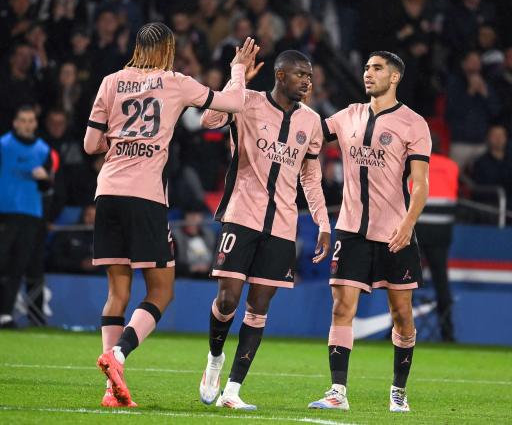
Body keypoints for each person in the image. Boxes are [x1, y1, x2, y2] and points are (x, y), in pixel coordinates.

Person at [84, 23, 257, 408]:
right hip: (145, 198)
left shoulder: (111, 81)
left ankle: (111, 388)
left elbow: (90, 143)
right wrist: (239, 71)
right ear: (167, 49)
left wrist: (121, 141)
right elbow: (234, 104)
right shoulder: (174, 81)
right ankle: (118, 355)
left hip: (108, 192)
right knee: (162, 291)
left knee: (117, 293)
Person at [197, 50, 331, 410]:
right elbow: (208, 119)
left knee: (258, 308)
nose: (307, 80)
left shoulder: (313, 122)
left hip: (283, 227)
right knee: (227, 300)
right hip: (241, 215)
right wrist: (237, 72)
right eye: (300, 74)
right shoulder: (248, 102)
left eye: (310, 75)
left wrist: (322, 222)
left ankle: (233, 391)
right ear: (280, 74)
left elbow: (311, 177)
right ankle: (214, 360)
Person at [309, 51, 431, 413]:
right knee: (342, 307)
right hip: (351, 230)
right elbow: (308, 134)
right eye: (366, 68)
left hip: (396, 233)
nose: (368, 73)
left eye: (376, 68)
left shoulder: (413, 123)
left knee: (402, 314)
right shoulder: (348, 115)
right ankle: (337, 391)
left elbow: (420, 184)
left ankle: (398, 390)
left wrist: (408, 226)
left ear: (395, 77)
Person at [0, 105, 53, 329]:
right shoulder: (3, 146)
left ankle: (5, 314)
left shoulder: (43, 150)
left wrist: (44, 179)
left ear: (35, 123)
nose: (27, 124)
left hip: (31, 214)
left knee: (18, 267)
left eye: (30, 120)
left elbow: (48, 187)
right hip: (5, 213)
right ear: (15, 122)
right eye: (23, 120)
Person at [415, 142, 458, 342]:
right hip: (442, 232)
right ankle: (448, 332)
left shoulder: (415, 162)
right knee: (442, 282)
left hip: (417, 229)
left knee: (403, 280)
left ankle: (396, 330)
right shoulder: (452, 166)